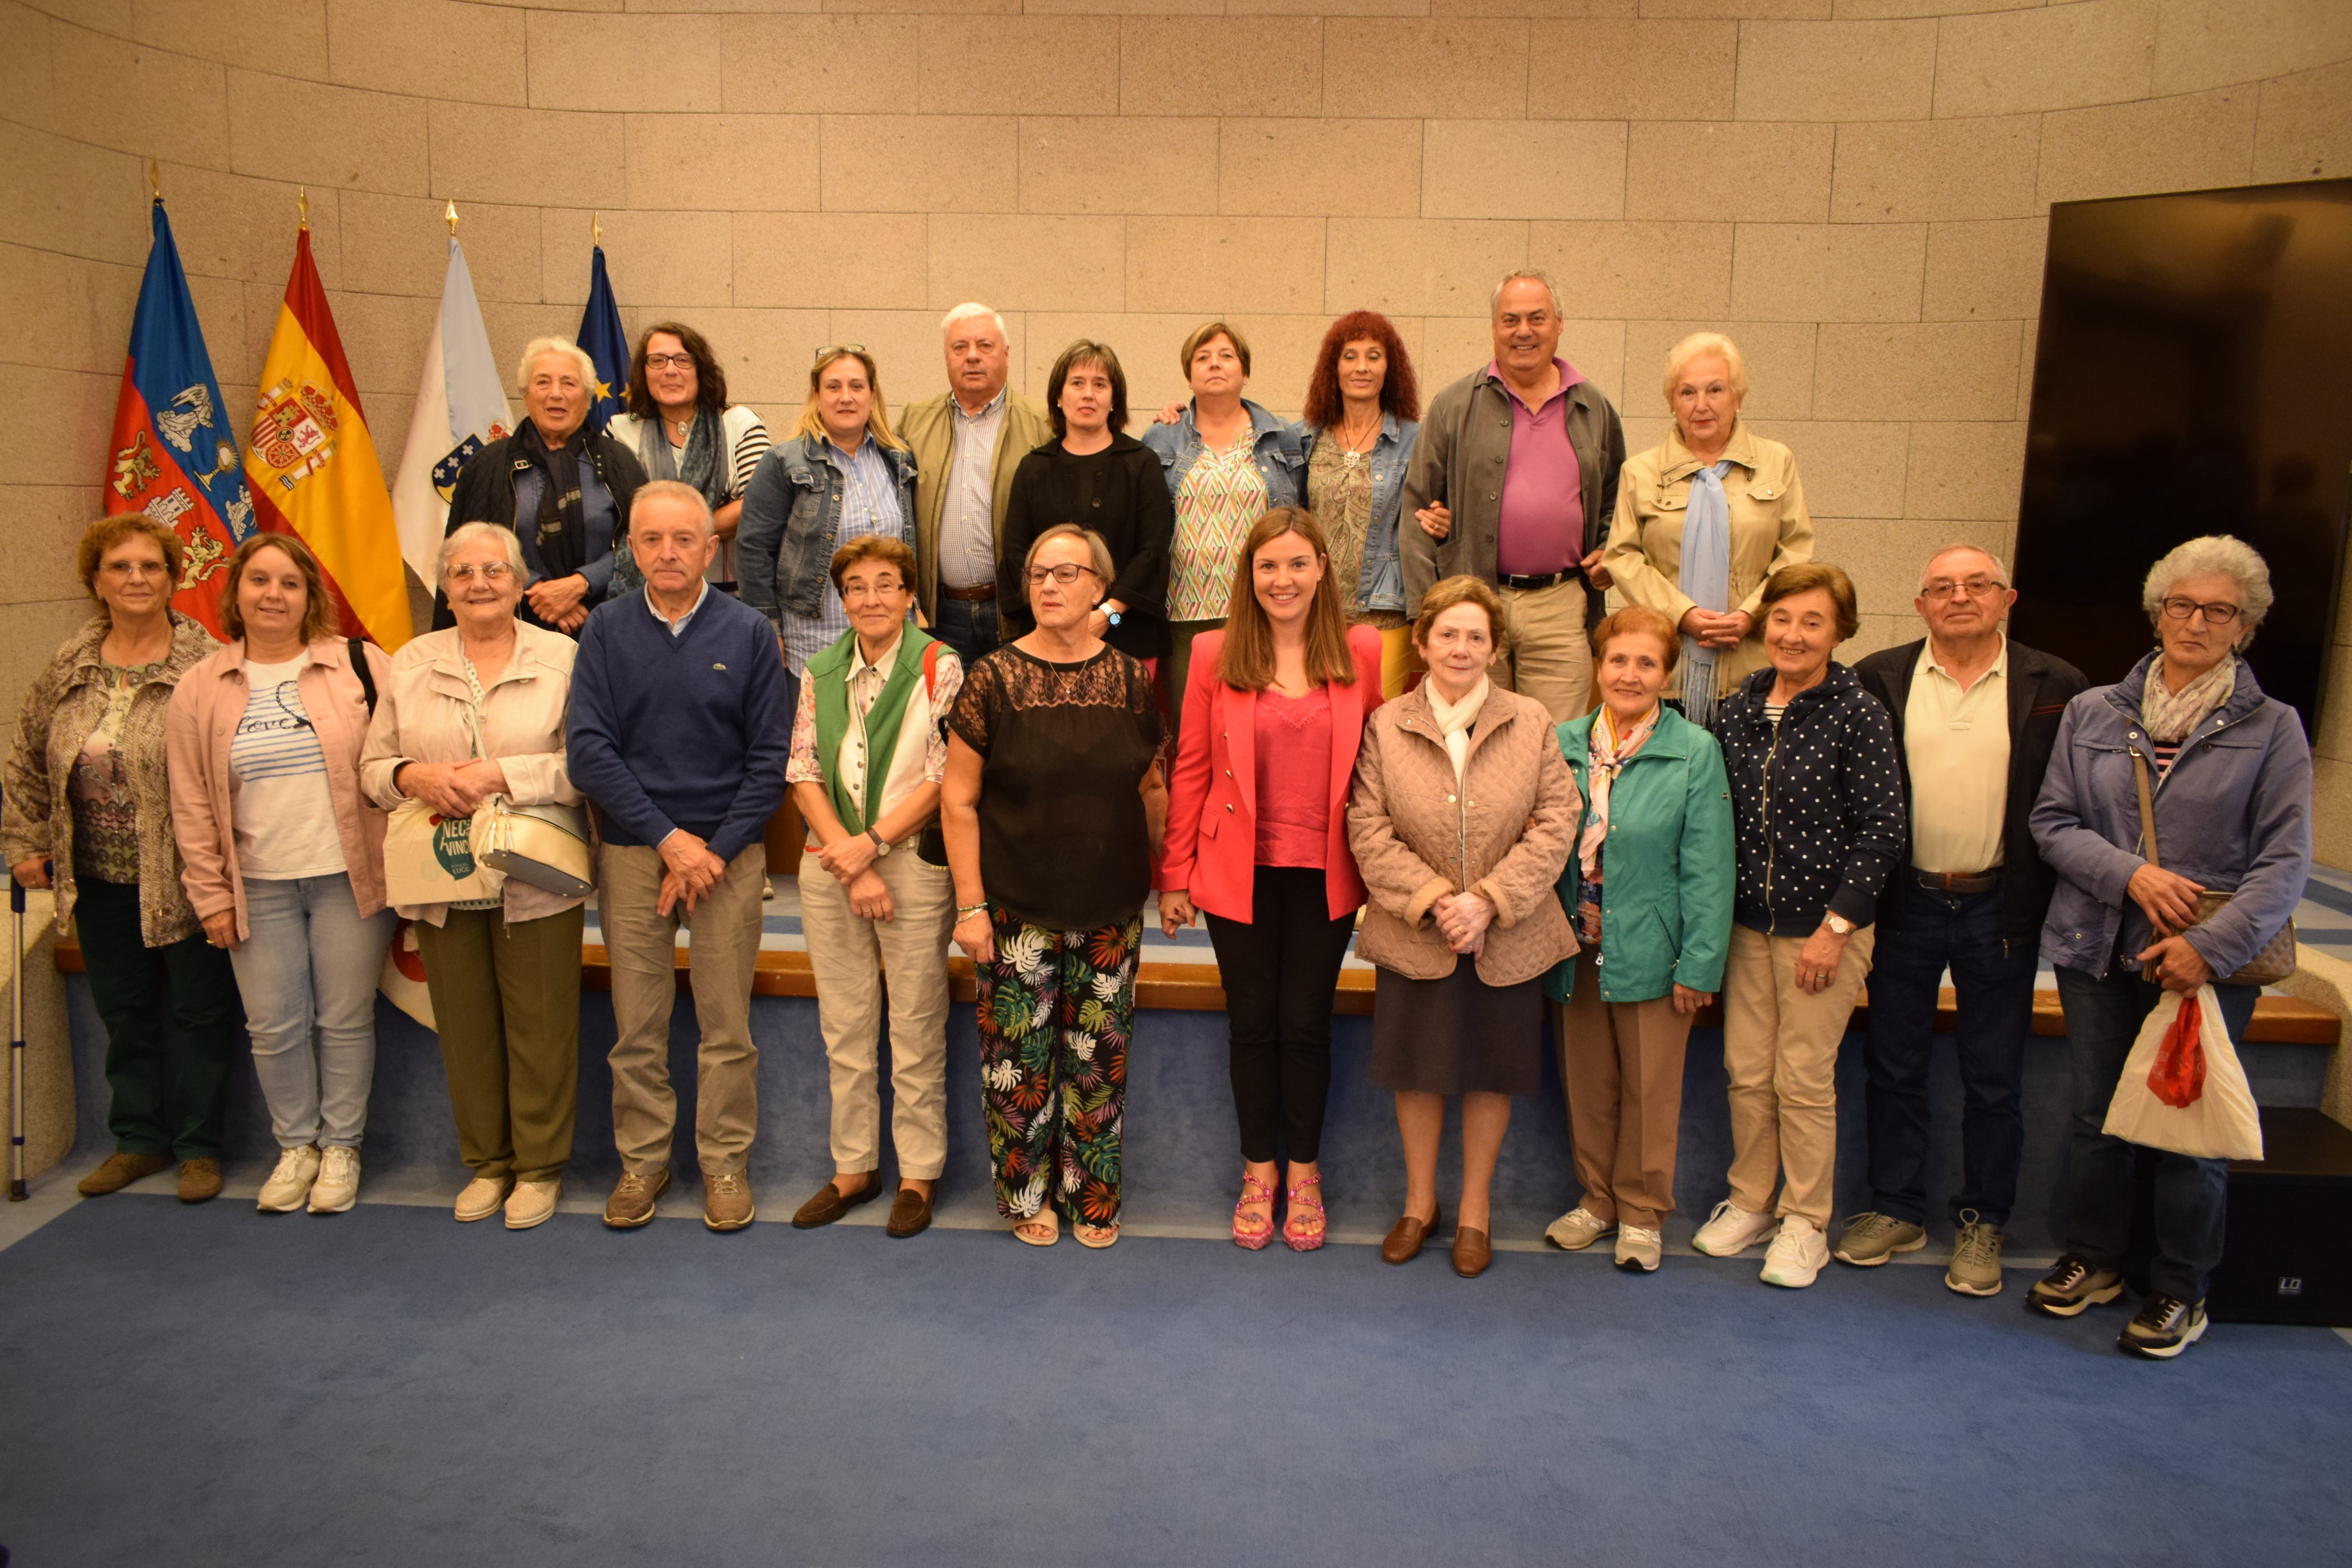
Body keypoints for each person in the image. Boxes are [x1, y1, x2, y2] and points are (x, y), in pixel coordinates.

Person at [2027, 535, 2311, 1359]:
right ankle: (2097, 1257)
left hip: (2203, 966)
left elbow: (2284, 862)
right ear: (2157, 614)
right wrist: (2133, 878)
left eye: (2218, 610)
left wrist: (2211, 949)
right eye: (2182, 605)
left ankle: (2181, 1288)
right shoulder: (2096, 712)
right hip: (2097, 944)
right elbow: (2053, 823)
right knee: (2096, 1120)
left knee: (2192, 1134)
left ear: (2245, 626)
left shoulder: (2274, 729)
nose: (2196, 620)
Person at [1841, 545, 2087, 1294]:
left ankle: (1984, 1220)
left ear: (2007, 598)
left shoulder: (2058, 685)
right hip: (1907, 898)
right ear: (1919, 605)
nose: (1959, 598)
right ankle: (1897, 1206)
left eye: (1977, 585)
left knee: (1993, 1077)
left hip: (2000, 904)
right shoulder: (1878, 676)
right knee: (1894, 1065)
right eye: (1942, 588)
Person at [567, 481, 792, 1233]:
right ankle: (643, 1160)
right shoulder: (603, 630)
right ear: (631, 549)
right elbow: (590, 754)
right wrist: (669, 840)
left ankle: (725, 1162)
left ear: (710, 546)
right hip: (636, 856)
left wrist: (712, 850)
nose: (668, 552)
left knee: (728, 1026)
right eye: (652, 539)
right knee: (638, 1026)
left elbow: (769, 761)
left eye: (683, 539)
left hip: (729, 860)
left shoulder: (751, 633)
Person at [1160, 509, 1386, 1252]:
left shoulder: (1361, 649)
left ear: (1322, 567)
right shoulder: (1214, 652)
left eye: (1296, 564)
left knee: (1306, 1024)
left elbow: (1381, 763)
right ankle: (1260, 1173)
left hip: (1326, 871)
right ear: (1248, 577)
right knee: (1253, 1026)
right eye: (1267, 567)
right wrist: (1175, 875)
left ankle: (1307, 1172)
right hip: (1237, 871)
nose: (1282, 580)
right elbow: (1191, 766)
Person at [1347, 575, 1578, 1279]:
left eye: (1476, 635)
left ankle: (1475, 1211)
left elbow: (1558, 818)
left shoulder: (1531, 720)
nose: (1461, 647)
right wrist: (1436, 899)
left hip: (1507, 934)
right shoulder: (1387, 722)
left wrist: (1490, 901)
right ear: (1421, 642)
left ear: (1495, 648)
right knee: (1416, 1072)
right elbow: (1367, 824)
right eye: (1447, 633)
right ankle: (1421, 1205)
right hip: (1415, 930)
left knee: (1489, 1075)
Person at [942, 524, 1166, 1250]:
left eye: (1067, 573)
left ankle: (1092, 1196)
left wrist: (1164, 873)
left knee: (1099, 1062)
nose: (1048, 586)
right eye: (1038, 574)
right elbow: (958, 802)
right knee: (1019, 1066)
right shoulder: (991, 679)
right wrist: (971, 906)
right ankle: (1026, 1195)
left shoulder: (1133, 680)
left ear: (1101, 588)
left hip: (1110, 904)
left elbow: (1152, 785)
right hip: (1014, 905)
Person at [358, 522, 587, 1231]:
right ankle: (488, 1162)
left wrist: (501, 775)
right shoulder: (411, 661)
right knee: (464, 1023)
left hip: (535, 864)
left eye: (495, 570)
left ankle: (540, 1167)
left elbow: (586, 766)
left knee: (542, 1023)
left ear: (522, 584)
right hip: (441, 866)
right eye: (463, 572)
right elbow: (372, 772)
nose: (480, 582)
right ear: (446, 587)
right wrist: (414, 775)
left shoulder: (565, 656)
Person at [3, 515, 236, 1205]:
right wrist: (23, 843)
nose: (137, 579)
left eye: (151, 567)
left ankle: (199, 1147)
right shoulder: (70, 665)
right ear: (96, 582)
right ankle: (137, 1140)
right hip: (96, 875)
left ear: (173, 578)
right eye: (120, 567)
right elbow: (26, 755)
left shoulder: (208, 663)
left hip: (188, 871)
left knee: (201, 1012)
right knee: (125, 1012)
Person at [166, 533, 397, 1217]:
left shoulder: (359, 666)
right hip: (256, 884)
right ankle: (296, 1147)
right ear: (234, 591)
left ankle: (342, 1149)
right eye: (260, 581)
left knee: (346, 1018)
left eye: (289, 583)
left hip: (349, 878)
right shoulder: (200, 686)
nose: (274, 595)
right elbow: (191, 801)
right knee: (273, 1024)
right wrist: (208, 894)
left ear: (309, 595)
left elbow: (398, 759)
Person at [1692, 563, 1905, 1288]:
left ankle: (1806, 1219)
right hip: (1749, 927)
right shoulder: (1738, 707)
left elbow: (1883, 829)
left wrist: (1837, 926)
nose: (1793, 634)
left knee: (1804, 1078)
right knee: (1747, 1073)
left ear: (1840, 631)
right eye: (1782, 618)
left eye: (1813, 621)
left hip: (1827, 930)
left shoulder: (1859, 712)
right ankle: (1751, 1201)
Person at [1540, 606, 1733, 1274]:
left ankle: (1643, 1212)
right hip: (1576, 949)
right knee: (1588, 1084)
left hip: (1657, 952)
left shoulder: (1694, 751)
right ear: (1598, 667)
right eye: (1618, 659)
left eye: (1646, 662)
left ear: (1666, 674)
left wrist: (1701, 964)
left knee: (1652, 1090)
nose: (1629, 673)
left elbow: (1710, 868)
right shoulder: (1560, 742)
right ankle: (1598, 1201)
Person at [784, 536, 962, 1241]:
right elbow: (801, 772)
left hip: (910, 861)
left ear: (910, 594)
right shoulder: (819, 669)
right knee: (846, 1023)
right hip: (830, 865)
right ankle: (853, 1167)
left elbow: (942, 776)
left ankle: (918, 1173)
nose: (871, 599)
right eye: (856, 587)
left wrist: (875, 846)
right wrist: (849, 859)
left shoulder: (939, 665)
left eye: (886, 584)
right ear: (841, 598)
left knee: (916, 1021)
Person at [1401, 271, 1625, 724]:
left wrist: (1610, 551)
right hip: (1475, 603)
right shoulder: (1455, 405)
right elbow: (1417, 508)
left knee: (1560, 743)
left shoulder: (1593, 407)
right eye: (1511, 320)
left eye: (1537, 318)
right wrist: (1430, 613)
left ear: (1560, 323)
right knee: (1479, 737)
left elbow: (1616, 500)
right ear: (1494, 328)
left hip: (1562, 607)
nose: (1524, 331)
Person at [1602, 332, 1815, 725]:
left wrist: (1752, 613)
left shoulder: (1777, 462)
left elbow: (1795, 553)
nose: (1701, 406)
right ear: (1672, 402)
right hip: (1668, 670)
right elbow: (1622, 556)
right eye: (1687, 393)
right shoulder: (1641, 472)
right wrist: (1682, 614)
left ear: (1737, 397)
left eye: (1715, 390)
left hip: (1752, 666)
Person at [1142, 321, 1307, 751]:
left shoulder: (1280, 437)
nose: (1215, 363)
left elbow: (1300, 519)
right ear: (1189, 373)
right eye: (1203, 357)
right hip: (1182, 612)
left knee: (1255, 733)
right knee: (1191, 736)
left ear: (1245, 371)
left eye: (1226, 356)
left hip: (1258, 609)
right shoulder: (1162, 436)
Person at [739, 346, 919, 723]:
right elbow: (754, 548)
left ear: (873, 395)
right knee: (815, 754)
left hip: (888, 638)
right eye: (833, 387)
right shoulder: (784, 462)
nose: (846, 397)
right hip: (814, 641)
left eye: (857, 386)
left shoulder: (898, 460)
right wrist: (768, 629)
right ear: (817, 397)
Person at [439, 335, 649, 635]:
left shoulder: (619, 461)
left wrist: (584, 582)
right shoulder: (487, 466)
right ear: (525, 396)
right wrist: (535, 588)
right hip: (511, 629)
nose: (556, 394)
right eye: (543, 383)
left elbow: (646, 540)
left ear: (588, 399)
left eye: (568, 383)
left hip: (608, 627)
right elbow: (463, 551)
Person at [999, 339, 1172, 667]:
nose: (1088, 394)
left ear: (1114, 399)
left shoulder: (1141, 463)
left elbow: (1152, 552)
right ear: (1059, 398)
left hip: (1126, 629)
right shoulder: (1034, 467)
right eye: (1077, 383)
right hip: (1047, 635)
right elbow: (1016, 553)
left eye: (1100, 385)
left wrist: (1107, 615)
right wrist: (1056, 616)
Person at [899, 304, 1054, 667]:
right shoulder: (913, 422)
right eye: (960, 347)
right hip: (941, 616)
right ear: (946, 357)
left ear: (1006, 354)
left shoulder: (1043, 424)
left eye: (984, 346)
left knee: (1017, 721)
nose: (972, 356)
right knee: (948, 722)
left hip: (1018, 612)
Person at [1297, 310, 1422, 698]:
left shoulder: (1415, 440)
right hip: (1317, 614)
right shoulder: (1306, 438)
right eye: (1350, 356)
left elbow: (1437, 510)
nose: (1361, 367)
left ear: (1390, 368)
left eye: (1374, 356)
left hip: (1386, 612)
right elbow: (1244, 423)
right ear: (1333, 367)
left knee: (1378, 724)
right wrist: (1182, 416)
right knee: (1322, 723)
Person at [604, 321, 772, 590]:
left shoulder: (738, 424)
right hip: (646, 592)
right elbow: (616, 515)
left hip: (731, 594)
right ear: (643, 373)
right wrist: (706, 525)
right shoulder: (620, 431)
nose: (671, 370)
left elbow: (759, 506)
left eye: (683, 360)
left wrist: (669, 532)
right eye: (658, 361)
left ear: (701, 370)